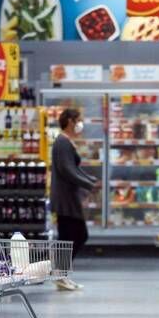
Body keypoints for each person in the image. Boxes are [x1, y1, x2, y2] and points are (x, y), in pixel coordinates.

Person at [51, 108, 97, 291]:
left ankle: (62, 275)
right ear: (70, 121)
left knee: (69, 236)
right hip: (65, 198)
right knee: (75, 235)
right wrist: (88, 184)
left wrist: (89, 180)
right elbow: (67, 170)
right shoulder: (62, 142)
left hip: (68, 196)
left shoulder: (65, 141)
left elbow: (73, 168)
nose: (80, 124)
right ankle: (60, 274)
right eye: (79, 120)